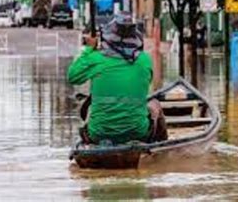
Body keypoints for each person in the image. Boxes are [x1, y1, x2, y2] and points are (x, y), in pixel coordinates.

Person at [68, 12, 168, 145]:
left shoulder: (96, 58)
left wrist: (89, 49)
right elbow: (145, 84)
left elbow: (73, 76)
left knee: (88, 107)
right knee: (154, 104)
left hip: (98, 134)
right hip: (139, 133)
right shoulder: (145, 60)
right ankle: (160, 151)